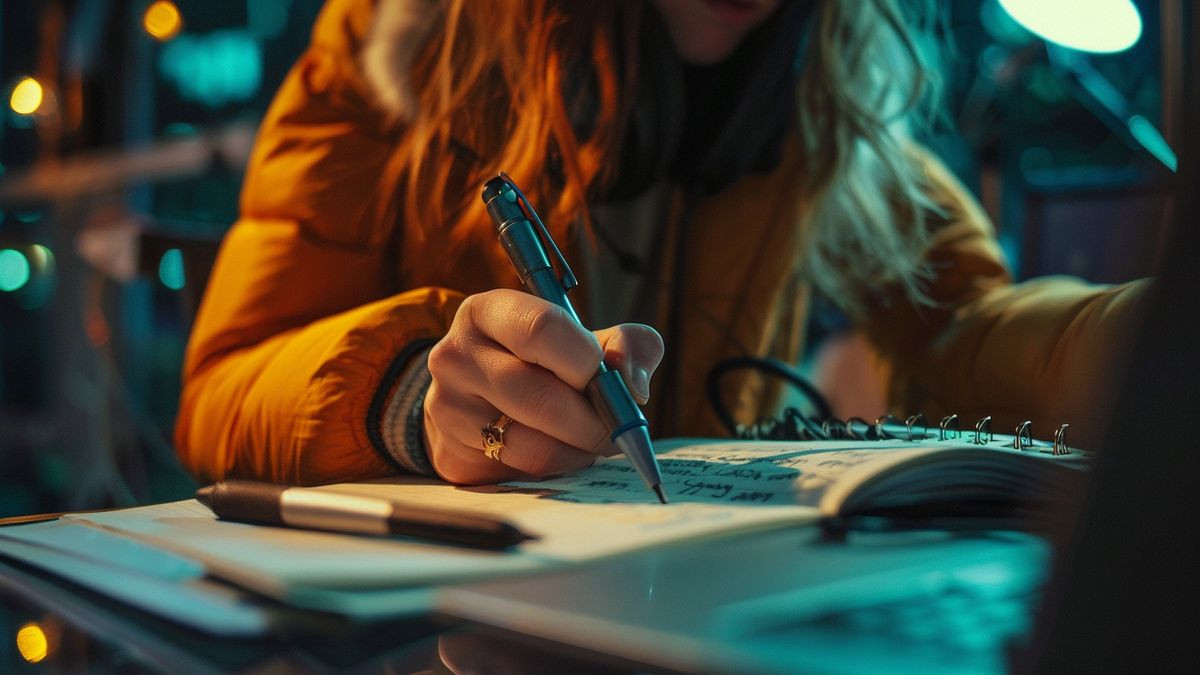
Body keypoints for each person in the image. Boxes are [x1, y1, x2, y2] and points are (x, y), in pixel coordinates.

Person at [174, 0, 1145, 486]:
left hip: (699, 610)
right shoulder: (402, 46)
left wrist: (1141, 335)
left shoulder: (826, 100)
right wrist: (411, 397)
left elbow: (969, 325)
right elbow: (221, 391)